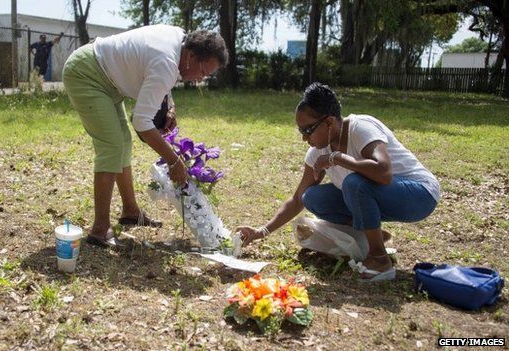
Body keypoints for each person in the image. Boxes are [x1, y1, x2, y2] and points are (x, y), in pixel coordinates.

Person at [236, 83, 440, 282]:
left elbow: (384, 172)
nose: (304, 138)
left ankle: (380, 260)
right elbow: (298, 198)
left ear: (329, 122)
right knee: (313, 197)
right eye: (301, 132)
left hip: (419, 195)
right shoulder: (317, 150)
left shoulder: (360, 128)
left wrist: (339, 158)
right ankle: (369, 239)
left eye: (308, 130)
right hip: (381, 196)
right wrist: (261, 231)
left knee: (354, 183)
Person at [62, 24, 228, 247]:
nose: (200, 79)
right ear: (191, 55)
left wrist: (169, 104)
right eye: (203, 72)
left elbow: (157, 70)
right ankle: (100, 229)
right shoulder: (167, 63)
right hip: (87, 74)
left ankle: (130, 211)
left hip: (105, 77)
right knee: (112, 146)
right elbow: (141, 122)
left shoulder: (179, 39)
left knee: (123, 143)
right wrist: (174, 160)